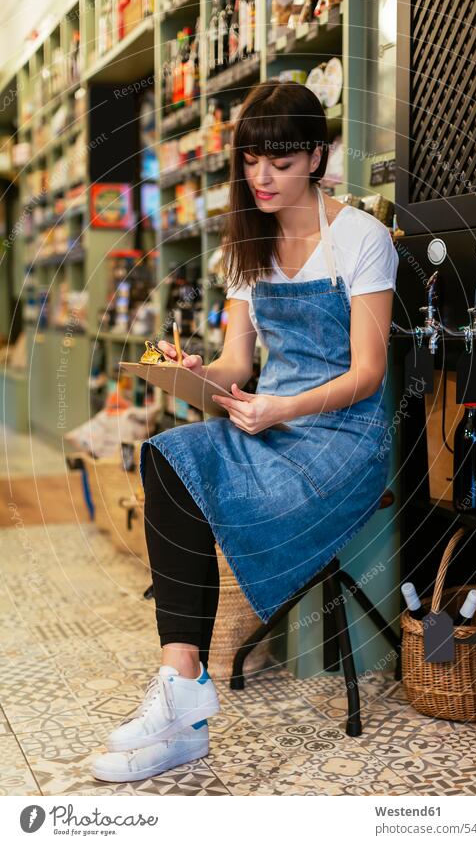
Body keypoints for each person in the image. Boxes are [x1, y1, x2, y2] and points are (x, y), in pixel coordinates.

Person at [91, 79, 398, 782]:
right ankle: (181, 689)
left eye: (281, 162)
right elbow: (239, 365)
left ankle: (180, 705)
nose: (261, 176)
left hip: (341, 441)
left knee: (198, 468)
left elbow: (368, 373)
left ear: (316, 157)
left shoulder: (360, 239)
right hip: (270, 422)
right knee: (167, 456)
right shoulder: (246, 242)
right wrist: (198, 374)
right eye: (252, 159)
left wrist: (279, 408)